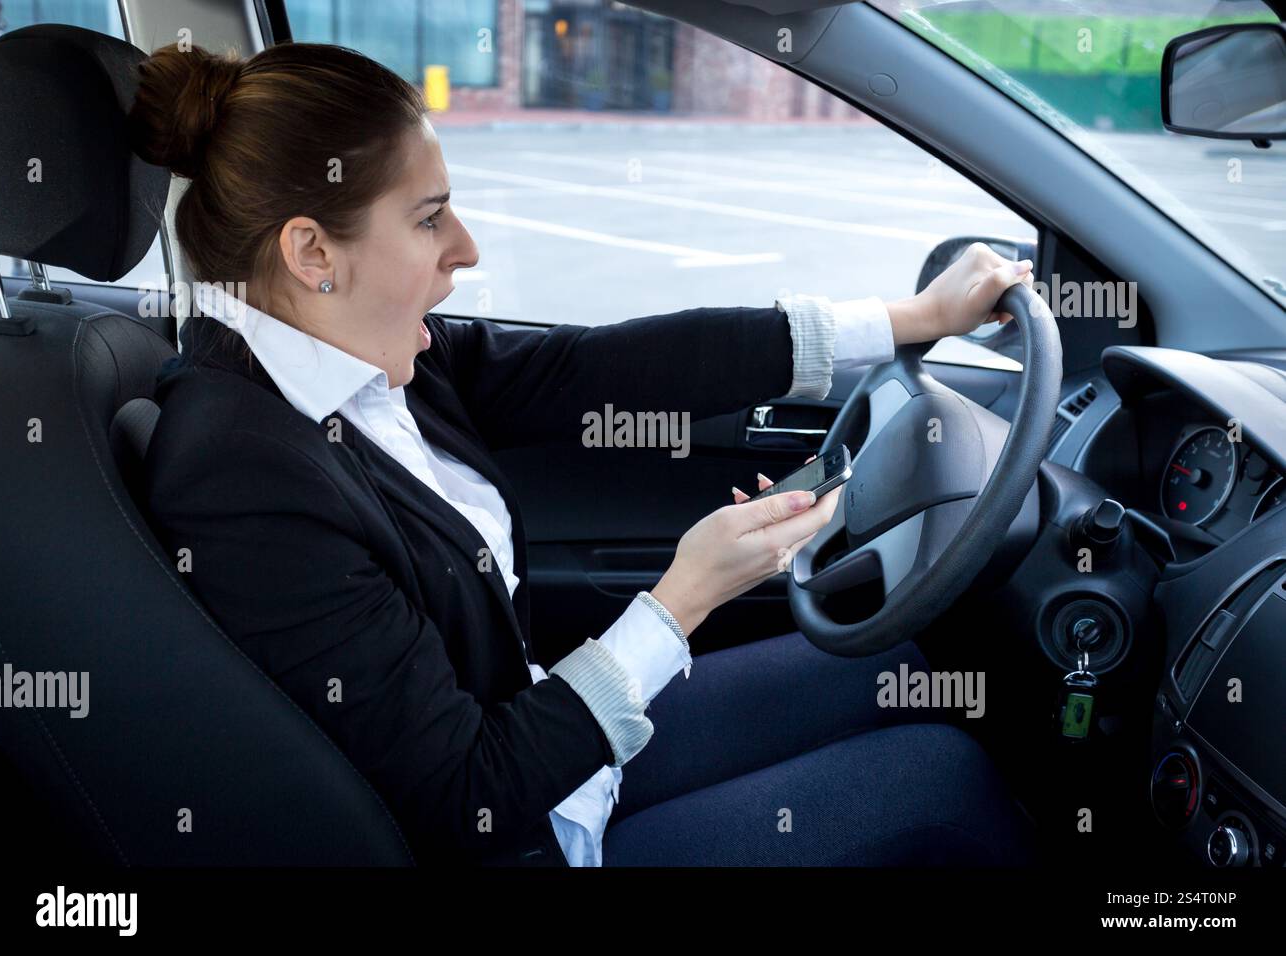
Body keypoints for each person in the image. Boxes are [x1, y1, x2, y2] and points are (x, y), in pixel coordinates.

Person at [131, 40, 1037, 867]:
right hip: (524, 831)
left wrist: (916, 318)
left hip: (563, 757)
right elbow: (465, 797)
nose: (465, 249)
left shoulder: (373, 358)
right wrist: (683, 599)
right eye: (429, 219)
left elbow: (605, 367)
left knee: (895, 675)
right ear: (311, 252)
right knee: (939, 785)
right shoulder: (243, 473)